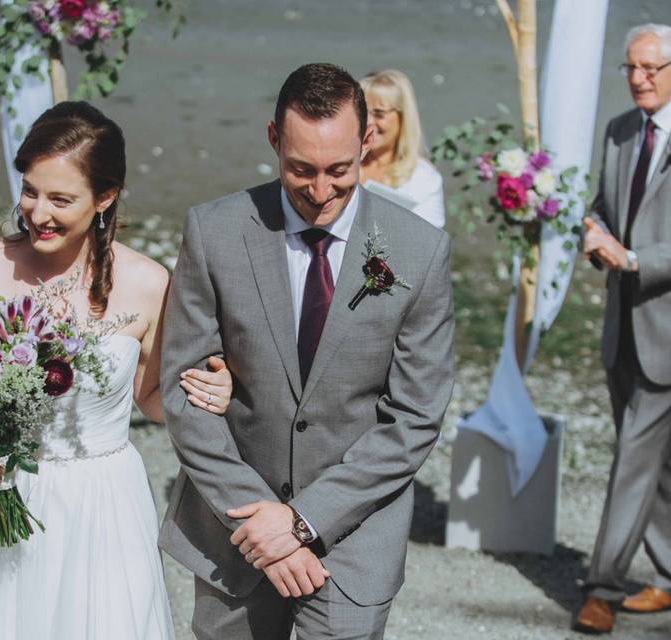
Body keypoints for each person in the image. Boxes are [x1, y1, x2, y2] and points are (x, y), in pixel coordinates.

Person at [159, 63, 455, 640]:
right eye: (300, 170)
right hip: (235, 535)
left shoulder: (420, 252)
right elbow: (183, 390)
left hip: (354, 538)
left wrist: (302, 521)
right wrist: (258, 522)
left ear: (367, 140)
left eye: (340, 171)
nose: (321, 192)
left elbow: (415, 417)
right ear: (274, 139)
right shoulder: (213, 232)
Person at [0, 101, 234, 640]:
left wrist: (218, 387)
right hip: (7, 490)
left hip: (105, 501)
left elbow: (154, 401)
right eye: (30, 190)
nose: (37, 213)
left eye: (60, 199)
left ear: (105, 197)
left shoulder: (148, 282)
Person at [575, 23, 671, 635]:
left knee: (634, 461)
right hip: (622, 325)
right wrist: (593, 235)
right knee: (661, 463)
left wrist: (639, 261)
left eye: (649, 68)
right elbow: (603, 204)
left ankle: (601, 588)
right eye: (629, 68)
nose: (638, 79)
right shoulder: (620, 131)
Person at [358, 69, 445, 228]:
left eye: (379, 113)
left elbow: (428, 244)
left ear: (403, 117)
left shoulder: (423, 178)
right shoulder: (341, 165)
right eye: (362, 112)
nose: (368, 122)